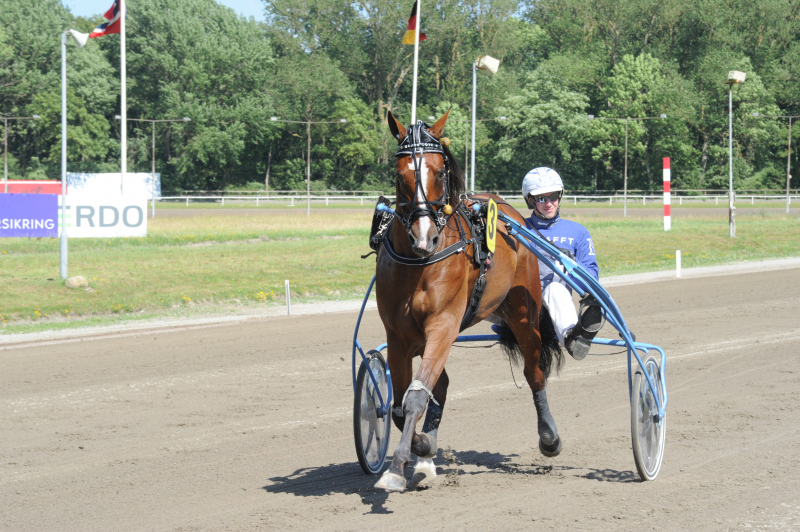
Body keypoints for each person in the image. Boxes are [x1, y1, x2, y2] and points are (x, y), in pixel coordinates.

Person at [522, 167, 603, 360]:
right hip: (520, 303)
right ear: (530, 200)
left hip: (553, 306)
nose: (549, 203)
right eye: (541, 198)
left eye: (554, 196)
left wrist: (571, 264)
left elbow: (592, 279)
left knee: (555, 290)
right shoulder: (517, 228)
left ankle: (573, 338)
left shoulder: (578, 232)